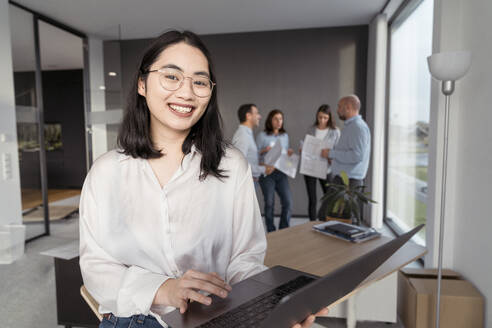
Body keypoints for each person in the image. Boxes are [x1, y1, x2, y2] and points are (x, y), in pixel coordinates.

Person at [79, 30, 326, 328]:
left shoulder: (232, 166)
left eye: (199, 81)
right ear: (142, 84)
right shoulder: (106, 172)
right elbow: (95, 267)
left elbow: (244, 259)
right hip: (135, 320)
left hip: (217, 316)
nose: (186, 93)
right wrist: (164, 289)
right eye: (171, 76)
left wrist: (274, 303)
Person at [256, 109, 294, 233]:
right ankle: (271, 232)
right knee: (269, 203)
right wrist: (264, 151)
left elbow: (285, 154)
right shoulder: (262, 135)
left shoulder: (285, 136)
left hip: (281, 172)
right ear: (270, 121)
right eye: (276, 119)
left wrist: (289, 153)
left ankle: (283, 230)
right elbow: (254, 154)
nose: (279, 122)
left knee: (288, 202)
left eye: (281, 119)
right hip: (267, 173)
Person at [302, 104, 340, 221]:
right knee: (312, 199)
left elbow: (338, 150)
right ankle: (312, 223)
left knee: (328, 197)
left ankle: (326, 222)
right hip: (310, 168)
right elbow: (306, 144)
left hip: (327, 168)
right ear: (317, 116)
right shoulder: (311, 129)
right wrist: (303, 148)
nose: (322, 120)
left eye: (325, 118)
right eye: (320, 117)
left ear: (329, 118)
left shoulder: (335, 131)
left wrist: (331, 157)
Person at [325, 95, 371, 189]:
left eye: (339, 106)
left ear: (348, 108)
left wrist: (331, 153)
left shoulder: (357, 127)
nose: (337, 110)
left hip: (349, 183)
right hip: (343, 180)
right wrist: (333, 159)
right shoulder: (350, 126)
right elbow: (347, 151)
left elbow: (357, 156)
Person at [232, 104, 274, 184]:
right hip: (246, 182)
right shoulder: (243, 136)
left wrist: (261, 156)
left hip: (250, 181)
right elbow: (240, 165)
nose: (260, 116)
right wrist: (264, 169)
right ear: (248, 116)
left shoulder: (247, 134)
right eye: (257, 113)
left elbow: (247, 157)